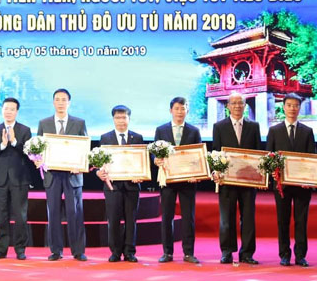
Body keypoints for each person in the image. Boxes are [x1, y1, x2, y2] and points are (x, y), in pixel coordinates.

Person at [265, 93, 317, 267]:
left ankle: (301, 255)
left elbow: (312, 158)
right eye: (289, 105)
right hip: (282, 185)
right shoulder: (274, 131)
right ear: (284, 107)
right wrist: (273, 173)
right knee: (283, 220)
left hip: (302, 185)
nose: (292, 109)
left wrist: (309, 179)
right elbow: (269, 156)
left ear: (299, 108)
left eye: (296, 105)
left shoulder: (307, 131)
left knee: (301, 221)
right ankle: (284, 254)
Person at [37, 88, 89, 261]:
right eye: (57, 99)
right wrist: (37, 159)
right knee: (53, 213)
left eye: (64, 99)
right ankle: (56, 250)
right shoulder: (44, 123)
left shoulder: (79, 123)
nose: (60, 103)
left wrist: (81, 165)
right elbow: (37, 148)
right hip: (52, 174)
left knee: (75, 213)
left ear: (69, 103)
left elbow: (85, 149)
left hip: (73, 176)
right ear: (53, 102)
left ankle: (78, 250)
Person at [211, 91, 262, 265]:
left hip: (248, 181)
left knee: (248, 218)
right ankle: (227, 252)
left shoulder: (254, 126)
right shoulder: (219, 127)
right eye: (233, 103)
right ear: (227, 106)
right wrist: (216, 171)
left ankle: (247, 253)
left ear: (245, 105)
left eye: (240, 103)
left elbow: (258, 153)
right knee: (226, 219)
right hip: (227, 181)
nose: (237, 106)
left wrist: (260, 175)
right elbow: (216, 152)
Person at [154, 96, 202, 264]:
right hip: (168, 180)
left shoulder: (194, 131)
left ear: (187, 110)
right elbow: (154, 152)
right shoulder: (161, 130)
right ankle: (167, 253)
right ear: (171, 110)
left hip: (188, 181)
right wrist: (156, 160)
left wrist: (197, 173)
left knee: (188, 217)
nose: (180, 112)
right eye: (177, 108)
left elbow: (198, 156)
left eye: (183, 108)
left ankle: (188, 253)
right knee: (167, 217)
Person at [0, 97, 32, 260]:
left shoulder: (25, 130)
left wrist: (13, 142)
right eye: (6, 108)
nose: (8, 112)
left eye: (12, 109)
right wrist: (2, 145)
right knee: (1, 215)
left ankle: (20, 249)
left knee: (20, 216)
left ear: (17, 112)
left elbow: (29, 153)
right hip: (0, 178)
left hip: (20, 178)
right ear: (2, 110)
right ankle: (1, 249)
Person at [98, 105, 144, 262]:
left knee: (131, 220)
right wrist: (99, 172)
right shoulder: (105, 138)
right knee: (113, 219)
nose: (121, 121)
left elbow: (141, 162)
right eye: (118, 118)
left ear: (129, 119)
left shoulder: (137, 138)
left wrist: (140, 175)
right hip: (113, 187)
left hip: (132, 186)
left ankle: (129, 251)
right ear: (113, 119)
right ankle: (115, 252)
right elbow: (100, 162)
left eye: (124, 117)